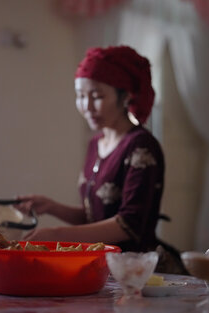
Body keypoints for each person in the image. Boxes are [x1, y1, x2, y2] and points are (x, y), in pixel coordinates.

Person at [16, 46, 167, 254]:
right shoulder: (96, 144)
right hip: (99, 266)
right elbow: (96, 217)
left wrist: (56, 236)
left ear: (124, 97)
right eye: (80, 95)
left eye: (96, 96)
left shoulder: (141, 145)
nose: (86, 106)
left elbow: (128, 224)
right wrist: (52, 207)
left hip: (135, 268)